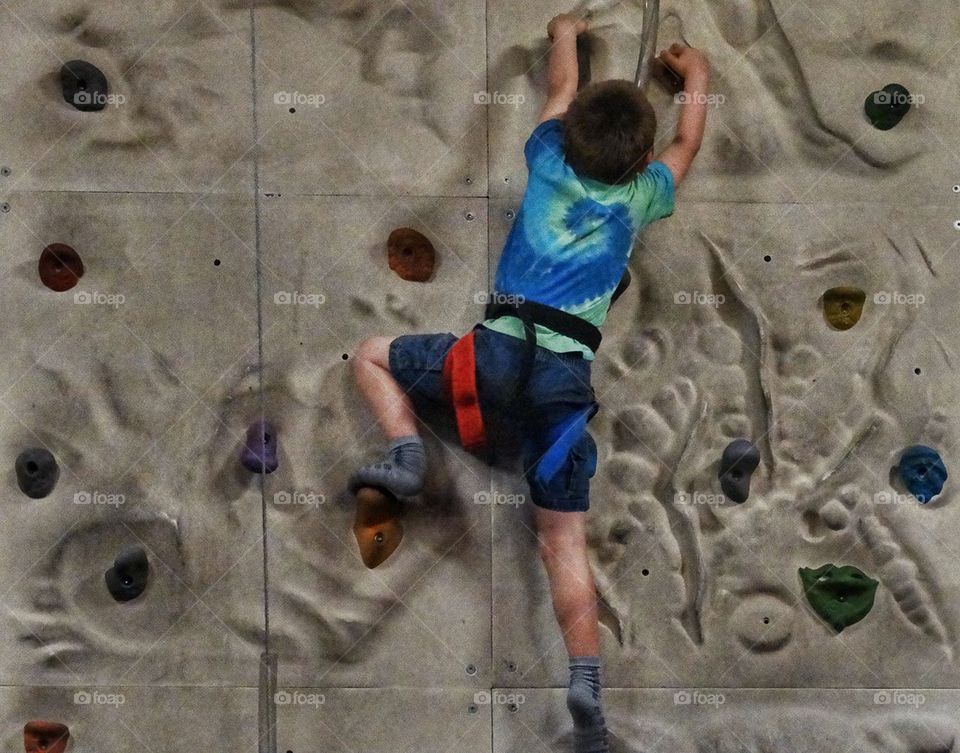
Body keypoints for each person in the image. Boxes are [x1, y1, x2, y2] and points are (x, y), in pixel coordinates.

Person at [349, 13, 710, 753]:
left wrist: (566, 33)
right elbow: (687, 142)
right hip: (561, 385)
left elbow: (563, 85)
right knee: (561, 543)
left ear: (569, 133)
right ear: (639, 158)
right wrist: (697, 80)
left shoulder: (546, 154)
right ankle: (587, 693)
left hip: (491, 356)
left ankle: (406, 453)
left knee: (372, 355)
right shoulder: (643, 195)